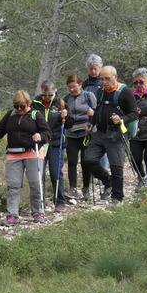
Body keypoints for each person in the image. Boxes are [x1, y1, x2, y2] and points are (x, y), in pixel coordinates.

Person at [0, 90, 51, 225]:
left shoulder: (36, 115)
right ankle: (12, 215)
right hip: (13, 154)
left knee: (35, 183)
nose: (19, 109)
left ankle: (37, 212)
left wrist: (40, 136)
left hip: (33, 153)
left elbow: (47, 133)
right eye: (16, 106)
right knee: (13, 185)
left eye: (22, 106)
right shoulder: (10, 115)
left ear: (28, 103)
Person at [82, 65, 138, 205]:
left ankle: (117, 198)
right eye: (102, 79)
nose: (104, 82)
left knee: (116, 167)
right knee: (88, 160)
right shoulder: (100, 91)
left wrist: (122, 119)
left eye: (107, 78)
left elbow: (134, 113)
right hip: (99, 133)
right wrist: (91, 123)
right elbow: (98, 109)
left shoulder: (125, 92)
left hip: (116, 134)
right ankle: (108, 181)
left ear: (115, 77)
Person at [62, 74, 97, 202]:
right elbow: (64, 119)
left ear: (80, 85)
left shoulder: (89, 96)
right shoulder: (65, 99)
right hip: (71, 133)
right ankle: (73, 188)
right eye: (70, 87)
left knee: (85, 161)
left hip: (86, 132)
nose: (72, 90)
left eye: (74, 87)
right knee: (72, 161)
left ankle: (86, 188)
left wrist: (92, 114)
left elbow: (96, 113)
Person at [33, 81, 66, 211]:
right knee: (39, 173)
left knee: (55, 172)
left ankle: (60, 201)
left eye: (50, 95)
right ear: (41, 92)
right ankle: (40, 202)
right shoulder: (35, 104)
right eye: (45, 95)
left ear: (55, 91)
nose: (47, 97)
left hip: (56, 142)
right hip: (40, 143)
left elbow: (69, 124)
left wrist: (65, 117)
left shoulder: (60, 103)